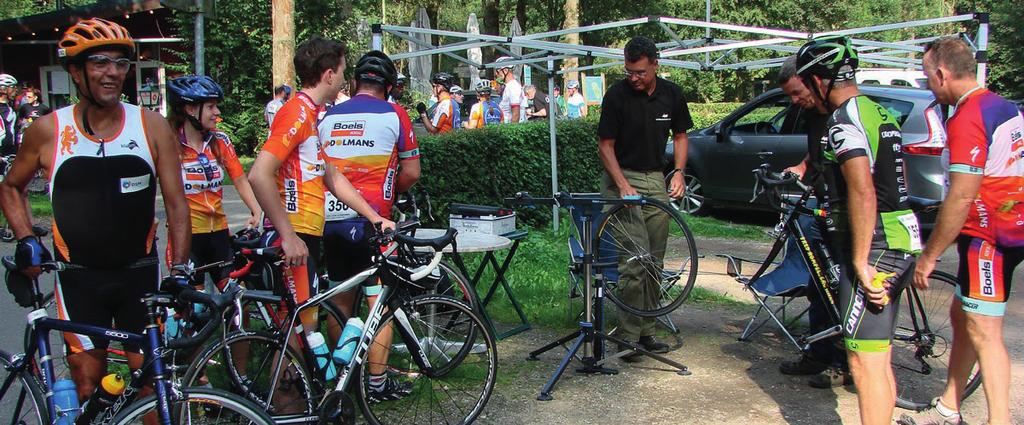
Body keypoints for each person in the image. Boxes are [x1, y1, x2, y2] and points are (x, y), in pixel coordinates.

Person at [0, 17, 191, 401]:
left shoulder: (151, 126)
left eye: (121, 63)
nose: (113, 73)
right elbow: (10, 186)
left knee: (153, 389)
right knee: (87, 385)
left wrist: (181, 269)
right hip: (79, 279)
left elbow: (177, 205)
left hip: (140, 276)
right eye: (100, 62)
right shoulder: (48, 130)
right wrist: (25, 238)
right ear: (75, 71)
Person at [796, 35, 921, 425]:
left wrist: (861, 260)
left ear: (819, 81)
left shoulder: (842, 119)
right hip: (900, 236)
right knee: (876, 357)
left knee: (864, 363)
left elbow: (863, 190)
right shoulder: (876, 111)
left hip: (877, 244)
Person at [899, 36, 1024, 425]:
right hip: (1008, 228)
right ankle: (949, 407)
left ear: (941, 73)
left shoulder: (970, 116)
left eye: (926, 77)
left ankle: (998, 420)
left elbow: (961, 197)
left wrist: (930, 255)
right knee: (962, 316)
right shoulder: (1004, 106)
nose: (928, 85)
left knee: (984, 330)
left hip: (989, 239)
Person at [248, 36, 393, 343]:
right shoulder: (296, 113)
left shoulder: (311, 116)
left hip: (308, 234)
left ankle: (298, 390)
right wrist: (288, 236)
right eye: (341, 71)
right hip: (296, 235)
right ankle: (286, 393)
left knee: (305, 330)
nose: (344, 79)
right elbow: (259, 174)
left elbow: (332, 176)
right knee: (297, 335)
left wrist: (374, 217)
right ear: (329, 75)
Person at [319, 50, 421, 401]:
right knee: (381, 304)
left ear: (354, 82)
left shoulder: (328, 115)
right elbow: (412, 172)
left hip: (330, 219)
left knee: (339, 301)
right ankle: (376, 385)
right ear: (389, 86)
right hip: (373, 222)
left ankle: (340, 382)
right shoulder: (396, 114)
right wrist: (389, 193)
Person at [597, 36, 690, 360]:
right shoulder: (616, 97)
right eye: (628, 72)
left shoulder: (672, 95)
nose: (633, 78)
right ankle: (627, 337)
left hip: (655, 179)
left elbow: (680, 136)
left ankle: (647, 332)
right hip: (621, 176)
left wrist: (678, 172)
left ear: (654, 64)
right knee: (634, 262)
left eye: (639, 72)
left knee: (654, 263)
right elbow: (605, 146)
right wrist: (622, 184)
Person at [775, 55, 851, 389]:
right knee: (819, 283)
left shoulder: (844, 115)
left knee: (844, 287)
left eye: (796, 92)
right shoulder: (813, 115)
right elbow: (819, 150)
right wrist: (804, 167)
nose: (795, 101)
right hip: (824, 206)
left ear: (814, 81)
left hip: (848, 214)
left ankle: (845, 363)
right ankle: (819, 353)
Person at [166, 75, 262, 289]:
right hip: (187, 236)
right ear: (191, 109)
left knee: (238, 295)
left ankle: (236, 325)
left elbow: (239, 179)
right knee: (192, 305)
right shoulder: (168, 145)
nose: (217, 112)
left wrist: (256, 210)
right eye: (211, 107)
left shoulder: (220, 141)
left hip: (219, 231)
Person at [494, 56, 523, 123]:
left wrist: (512, 131)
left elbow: (516, 114)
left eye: (498, 71)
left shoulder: (513, 87)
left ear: (505, 70)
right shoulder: (509, 86)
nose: (496, 74)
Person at [0, 74, 18, 156]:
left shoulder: (11, 108)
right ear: (3, 89)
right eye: (13, 87)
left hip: (11, 153)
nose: (16, 90)